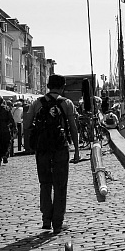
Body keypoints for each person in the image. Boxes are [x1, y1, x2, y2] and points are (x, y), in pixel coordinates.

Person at [24, 74, 81, 233]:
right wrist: (76, 150)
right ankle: (58, 222)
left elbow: (27, 125)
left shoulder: (37, 102)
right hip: (60, 147)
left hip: (42, 148)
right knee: (60, 185)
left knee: (45, 183)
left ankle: (46, 219)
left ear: (48, 86)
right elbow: (73, 128)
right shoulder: (67, 103)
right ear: (62, 86)